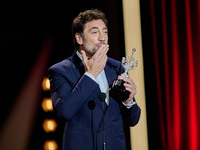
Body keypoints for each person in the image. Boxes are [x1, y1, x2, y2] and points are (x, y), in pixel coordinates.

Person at [48, 9, 141, 150]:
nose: (102, 37)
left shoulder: (117, 68)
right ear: (79, 38)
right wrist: (90, 74)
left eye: (105, 32)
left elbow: (133, 120)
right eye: (95, 32)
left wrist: (129, 102)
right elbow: (64, 111)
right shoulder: (61, 70)